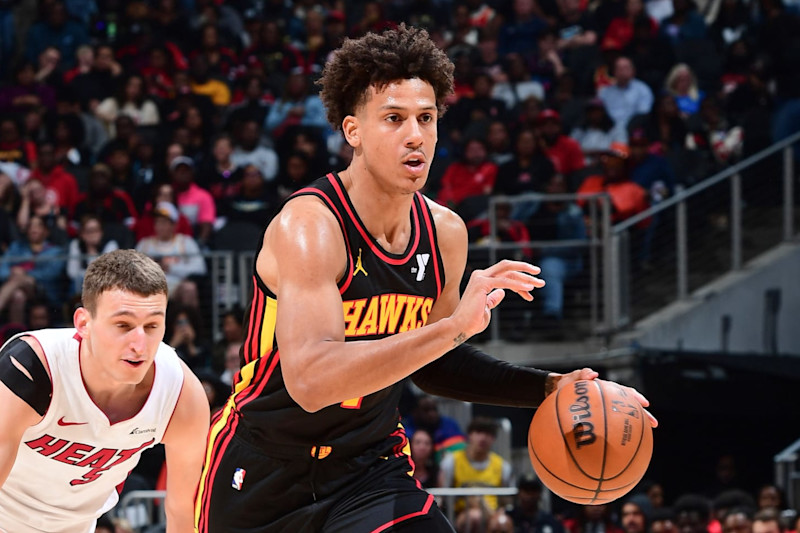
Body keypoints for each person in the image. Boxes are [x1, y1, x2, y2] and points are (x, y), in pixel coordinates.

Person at [195, 25, 655, 533]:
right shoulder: (310, 226)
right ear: (354, 131)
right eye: (394, 119)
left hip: (368, 468)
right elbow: (309, 380)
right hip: (263, 470)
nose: (415, 135)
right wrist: (455, 326)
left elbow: (436, 365)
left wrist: (551, 388)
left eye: (426, 118)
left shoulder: (444, 233)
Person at [0, 249, 210, 532]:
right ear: (84, 324)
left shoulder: (181, 394)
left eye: (152, 326)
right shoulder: (33, 367)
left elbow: (182, 512)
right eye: (123, 325)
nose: (140, 344)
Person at [440, 417, 512, 514]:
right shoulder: (451, 461)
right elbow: (443, 496)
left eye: (487, 434)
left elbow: (506, 502)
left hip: (493, 519)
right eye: (478, 432)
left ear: (493, 439)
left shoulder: (503, 466)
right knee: (475, 515)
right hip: (460, 516)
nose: (483, 438)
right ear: (469, 435)